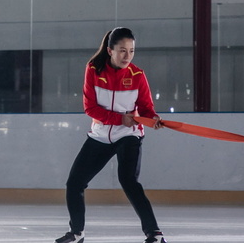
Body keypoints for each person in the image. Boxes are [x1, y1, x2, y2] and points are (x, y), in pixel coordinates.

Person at [55, 27, 168, 243]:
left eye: (132, 51)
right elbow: (90, 108)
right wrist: (118, 119)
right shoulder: (93, 71)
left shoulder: (137, 75)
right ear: (110, 50)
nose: (128, 56)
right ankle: (76, 232)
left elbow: (146, 109)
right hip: (100, 135)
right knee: (74, 183)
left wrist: (152, 119)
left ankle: (154, 233)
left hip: (129, 134)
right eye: (122, 51)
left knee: (128, 180)